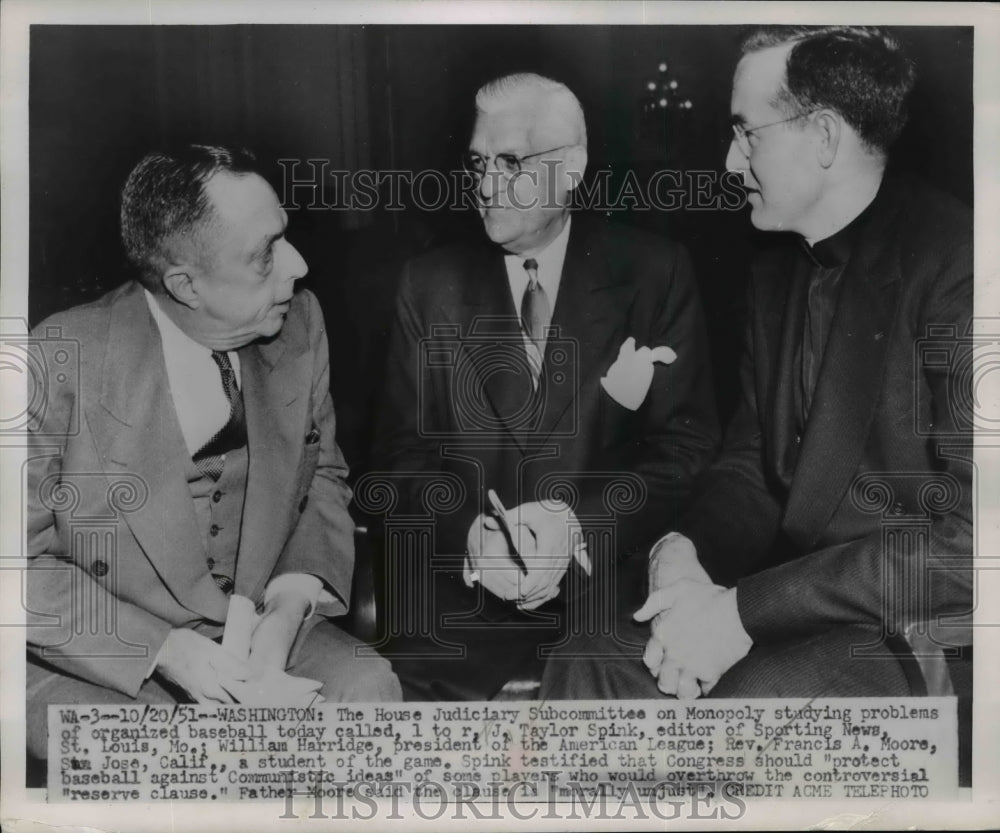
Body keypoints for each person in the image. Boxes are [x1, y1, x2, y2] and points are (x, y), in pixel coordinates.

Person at [541, 26, 973, 701]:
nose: (729, 162)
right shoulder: (774, 268)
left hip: (918, 629)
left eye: (748, 133)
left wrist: (739, 616)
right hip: (786, 603)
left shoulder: (964, 265)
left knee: (752, 707)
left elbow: (973, 544)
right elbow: (753, 467)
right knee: (594, 651)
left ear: (824, 137)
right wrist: (684, 553)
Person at [25, 145, 401, 759]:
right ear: (185, 285)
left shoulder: (299, 324)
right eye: (264, 258)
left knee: (366, 691)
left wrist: (287, 607)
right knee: (145, 760)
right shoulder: (58, 358)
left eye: (285, 236)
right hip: (106, 653)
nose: (298, 266)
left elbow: (323, 476)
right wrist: (167, 652)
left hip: (255, 630)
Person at [371, 73, 719, 700]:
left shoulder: (653, 273)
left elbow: (685, 454)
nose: (484, 185)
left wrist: (577, 524)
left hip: (605, 595)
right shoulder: (427, 286)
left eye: (511, 162)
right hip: (461, 606)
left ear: (573, 168)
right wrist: (474, 540)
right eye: (477, 162)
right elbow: (401, 462)